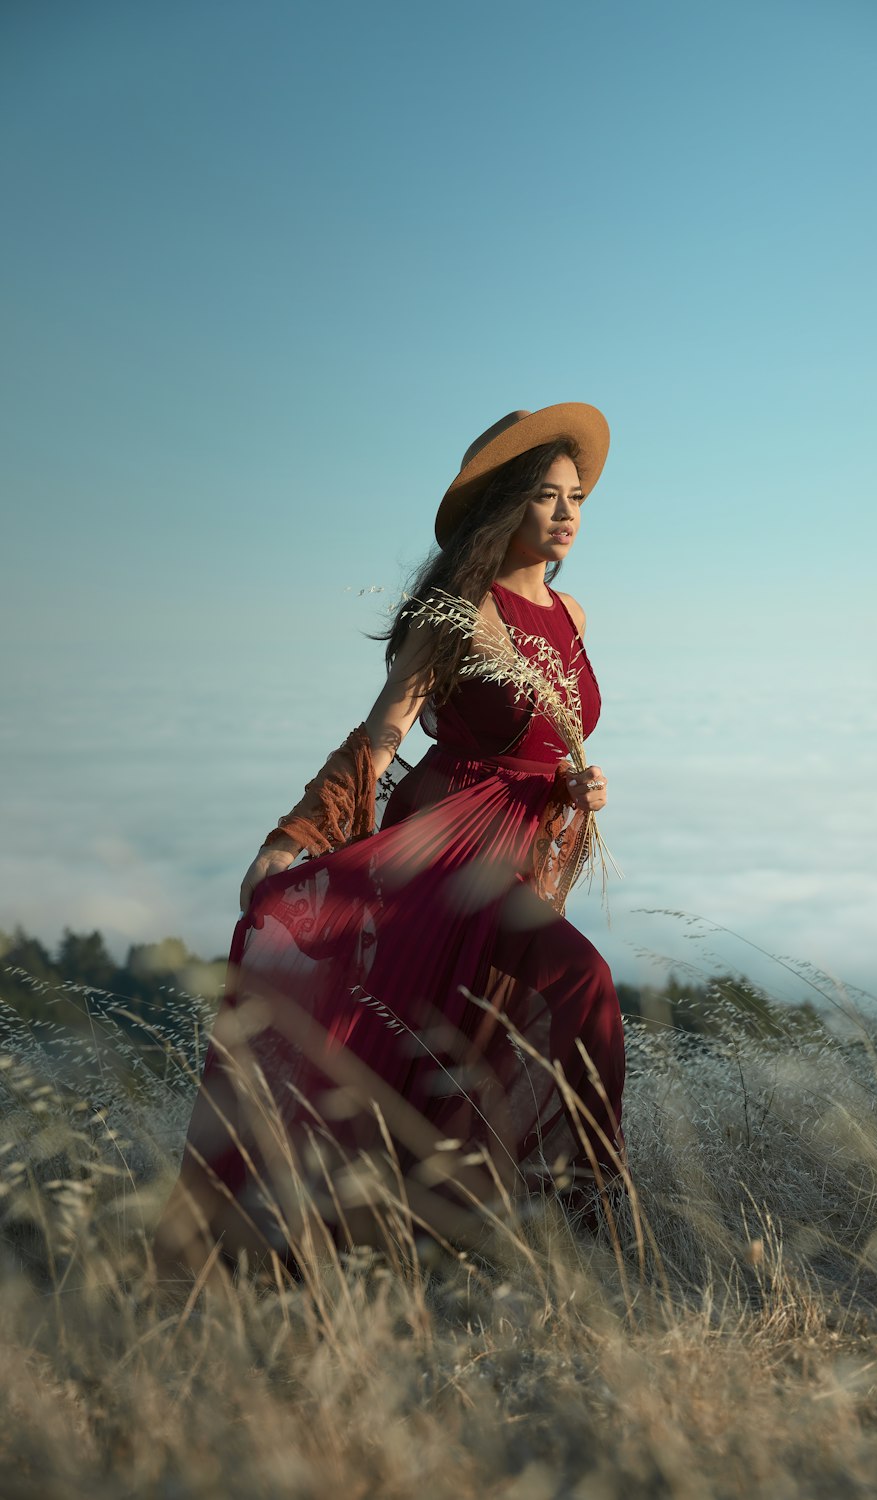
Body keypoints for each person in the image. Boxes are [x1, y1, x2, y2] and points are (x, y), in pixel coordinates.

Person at [154, 403, 627, 1283]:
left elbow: (552, 741)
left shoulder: (575, 615)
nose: (567, 513)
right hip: (448, 852)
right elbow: (380, 739)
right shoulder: (456, 613)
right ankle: (595, 1215)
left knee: (451, 1044)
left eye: (577, 497)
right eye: (545, 496)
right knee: (583, 981)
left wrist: (582, 785)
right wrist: (295, 834)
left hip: (527, 853)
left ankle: (435, 1234)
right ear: (503, 509)